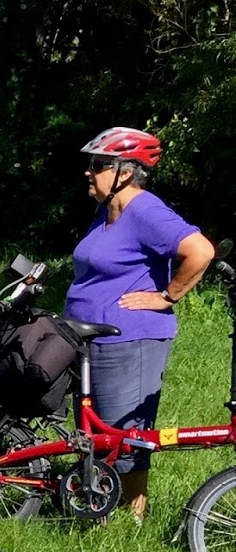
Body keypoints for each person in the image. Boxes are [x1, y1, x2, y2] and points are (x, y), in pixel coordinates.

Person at [64, 127, 214, 522]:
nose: (88, 173)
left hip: (130, 339)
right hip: (90, 339)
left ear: (125, 173)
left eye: (98, 165)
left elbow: (200, 251)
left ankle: (131, 520)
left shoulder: (146, 210)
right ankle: (98, 511)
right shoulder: (106, 212)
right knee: (94, 431)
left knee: (126, 433)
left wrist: (166, 296)